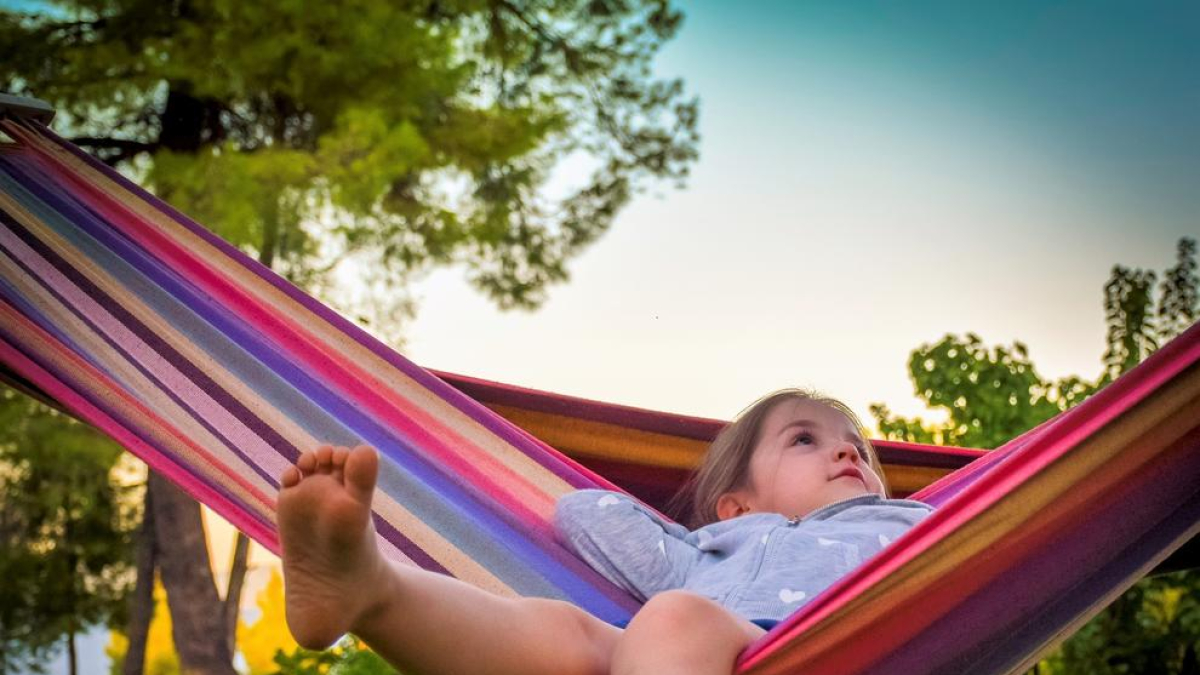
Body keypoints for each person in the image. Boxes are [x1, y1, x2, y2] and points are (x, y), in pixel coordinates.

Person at [275, 389, 934, 675]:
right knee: (580, 635)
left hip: (858, 641)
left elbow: (980, 554)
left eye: (858, 448)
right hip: (710, 653)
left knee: (669, 620)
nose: (848, 453)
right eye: (804, 439)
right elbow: (584, 514)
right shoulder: (706, 553)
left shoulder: (909, 520)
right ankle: (371, 590)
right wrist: (686, 532)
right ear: (732, 505)